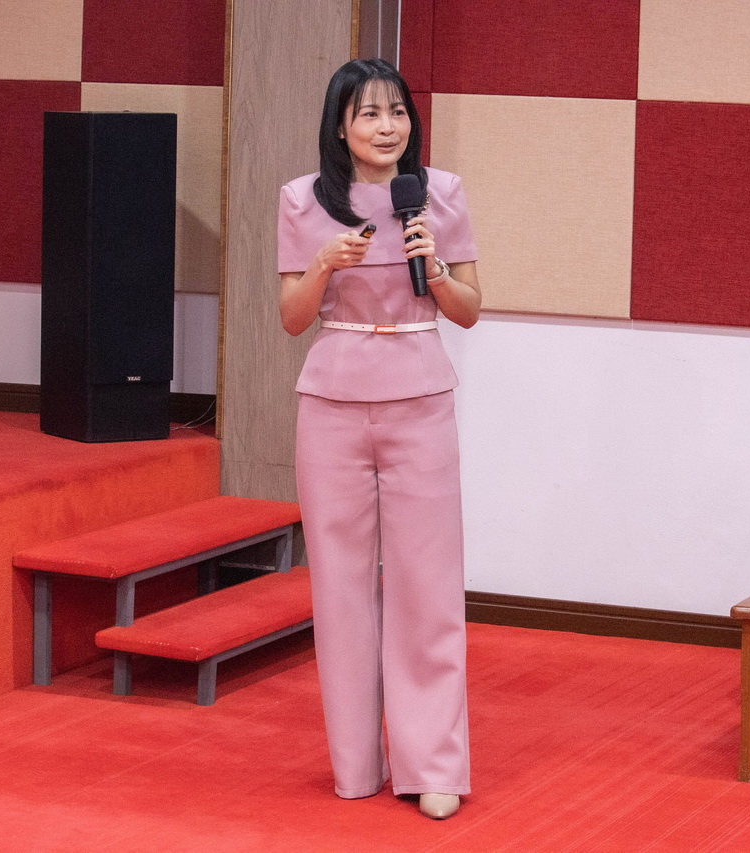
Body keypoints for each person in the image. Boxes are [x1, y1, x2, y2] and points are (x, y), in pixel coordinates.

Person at [277, 58, 481, 821]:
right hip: (331, 402)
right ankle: (357, 762)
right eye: (368, 113)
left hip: (419, 397)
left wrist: (435, 266)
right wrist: (323, 264)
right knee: (339, 586)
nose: (387, 126)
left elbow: (469, 308)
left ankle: (435, 765)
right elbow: (292, 317)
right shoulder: (303, 200)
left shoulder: (439, 193)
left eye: (397, 112)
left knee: (428, 585)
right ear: (341, 127)